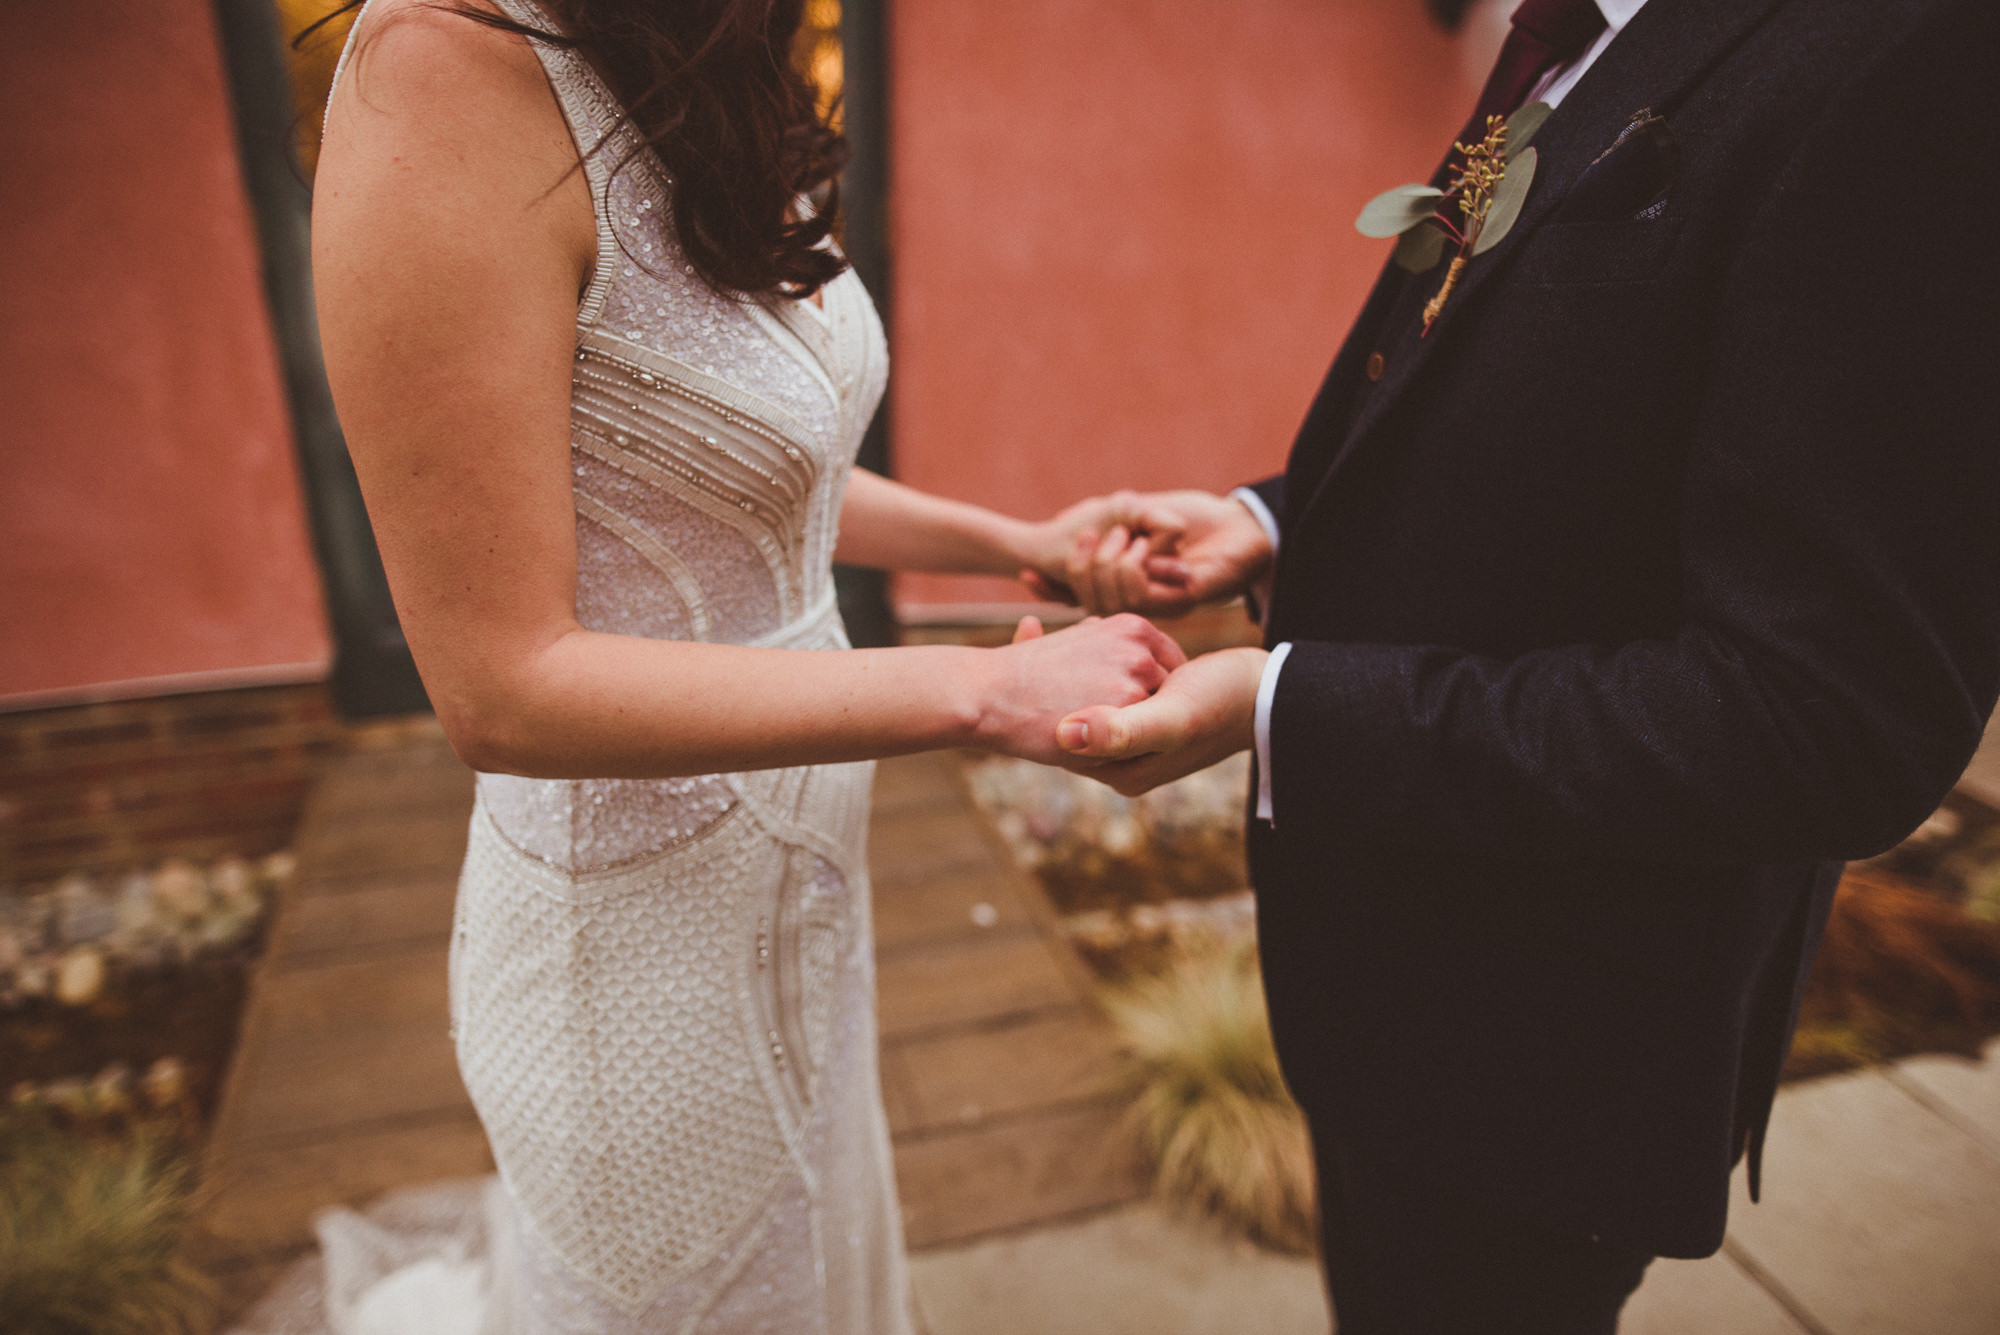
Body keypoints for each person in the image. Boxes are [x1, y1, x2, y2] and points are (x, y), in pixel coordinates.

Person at [1049, 0, 2000, 1331]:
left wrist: (1284, 710)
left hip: (1544, 1048)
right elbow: (1543, 403)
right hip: (1385, 980)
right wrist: (1269, 519)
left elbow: (1823, 713)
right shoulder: (1573, 34)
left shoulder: (1910, 56)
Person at [244, 1, 1183, 1331]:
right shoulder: (439, 77)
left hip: (798, 885)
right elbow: (502, 686)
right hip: (633, 962)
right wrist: (983, 689)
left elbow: (733, 470)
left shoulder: (690, 66)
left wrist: (1014, 542)